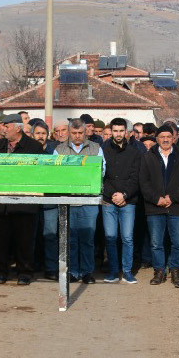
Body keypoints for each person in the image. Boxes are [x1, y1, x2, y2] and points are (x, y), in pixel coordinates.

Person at [0, 114, 45, 283]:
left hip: (24, 201)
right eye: (3, 126)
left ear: (17, 127)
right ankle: (0, 272)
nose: (4, 129)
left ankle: (25, 273)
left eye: (7, 126)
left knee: (24, 240)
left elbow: (38, 174)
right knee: (0, 240)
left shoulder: (34, 147)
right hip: (1, 201)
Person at [140, 123, 179, 285]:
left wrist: (172, 198)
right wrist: (157, 199)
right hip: (154, 207)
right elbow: (144, 182)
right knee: (156, 243)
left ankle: (176, 271)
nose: (165, 140)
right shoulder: (148, 156)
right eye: (162, 137)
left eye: (168, 137)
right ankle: (159, 271)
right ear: (157, 139)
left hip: (176, 206)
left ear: (173, 138)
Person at [56, 119, 103, 283]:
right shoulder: (59, 149)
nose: (77, 136)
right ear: (69, 133)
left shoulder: (96, 148)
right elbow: (57, 174)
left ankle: (87, 271)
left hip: (88, 199)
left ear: (85, 133)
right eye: (74, 133)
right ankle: (73, 271)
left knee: (88, 238)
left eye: (80, 133)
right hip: (68, 199)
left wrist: (77, 175)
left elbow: (100, 171)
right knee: (70, 239)